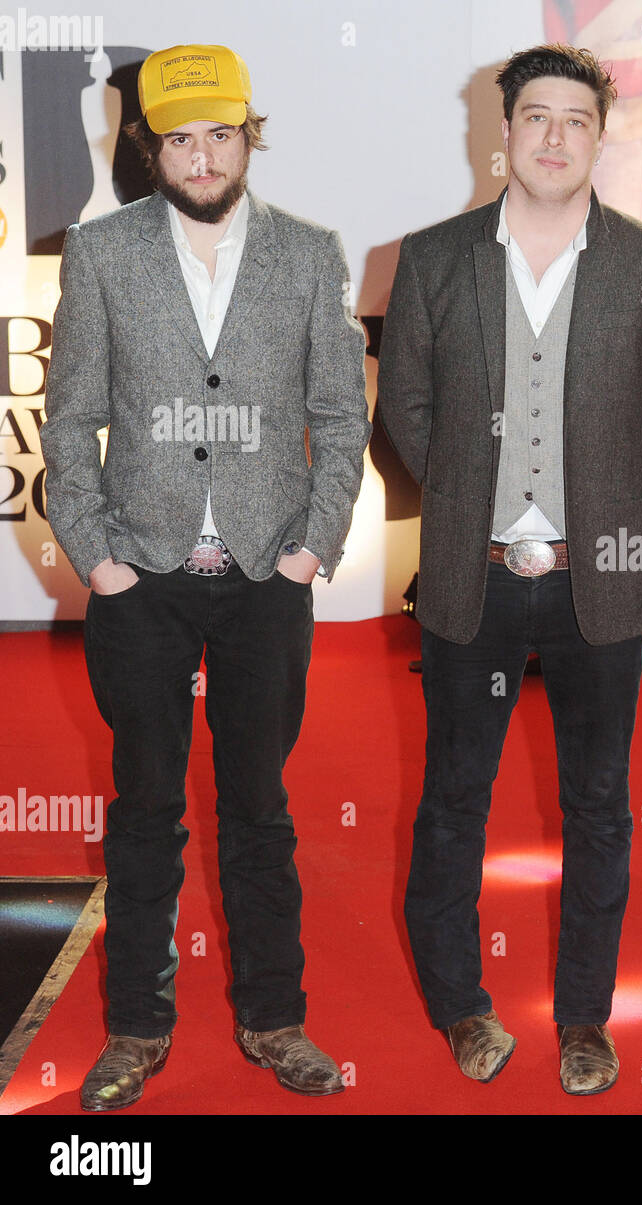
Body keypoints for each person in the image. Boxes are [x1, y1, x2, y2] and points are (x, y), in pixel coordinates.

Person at [40, 43, 371, 1110]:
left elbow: (338, 416)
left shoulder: (312, 253)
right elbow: (71, 422)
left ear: (246, 135)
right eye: (178, 135)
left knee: (260, 809)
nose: (200, 153)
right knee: (143, 809)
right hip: (142, 574)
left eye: (217, 132)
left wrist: (310, 548)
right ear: (149, 145)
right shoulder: (100, 253)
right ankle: (136, 1026)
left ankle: (276, 1017)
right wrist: (98, 556)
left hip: (267, 576)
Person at [377, 42, 642, 1096]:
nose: (555, 136)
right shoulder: (433, 259)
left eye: (575, 119)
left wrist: (610, 516)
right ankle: (461, 1007)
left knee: (600, 807)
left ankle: (583, 1016)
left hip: (598, 581)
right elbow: (406, 411)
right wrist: (476, 506)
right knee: (451, 804)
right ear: (501, 132)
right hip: (470, 579)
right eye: (535, 117)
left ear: (599, 136)